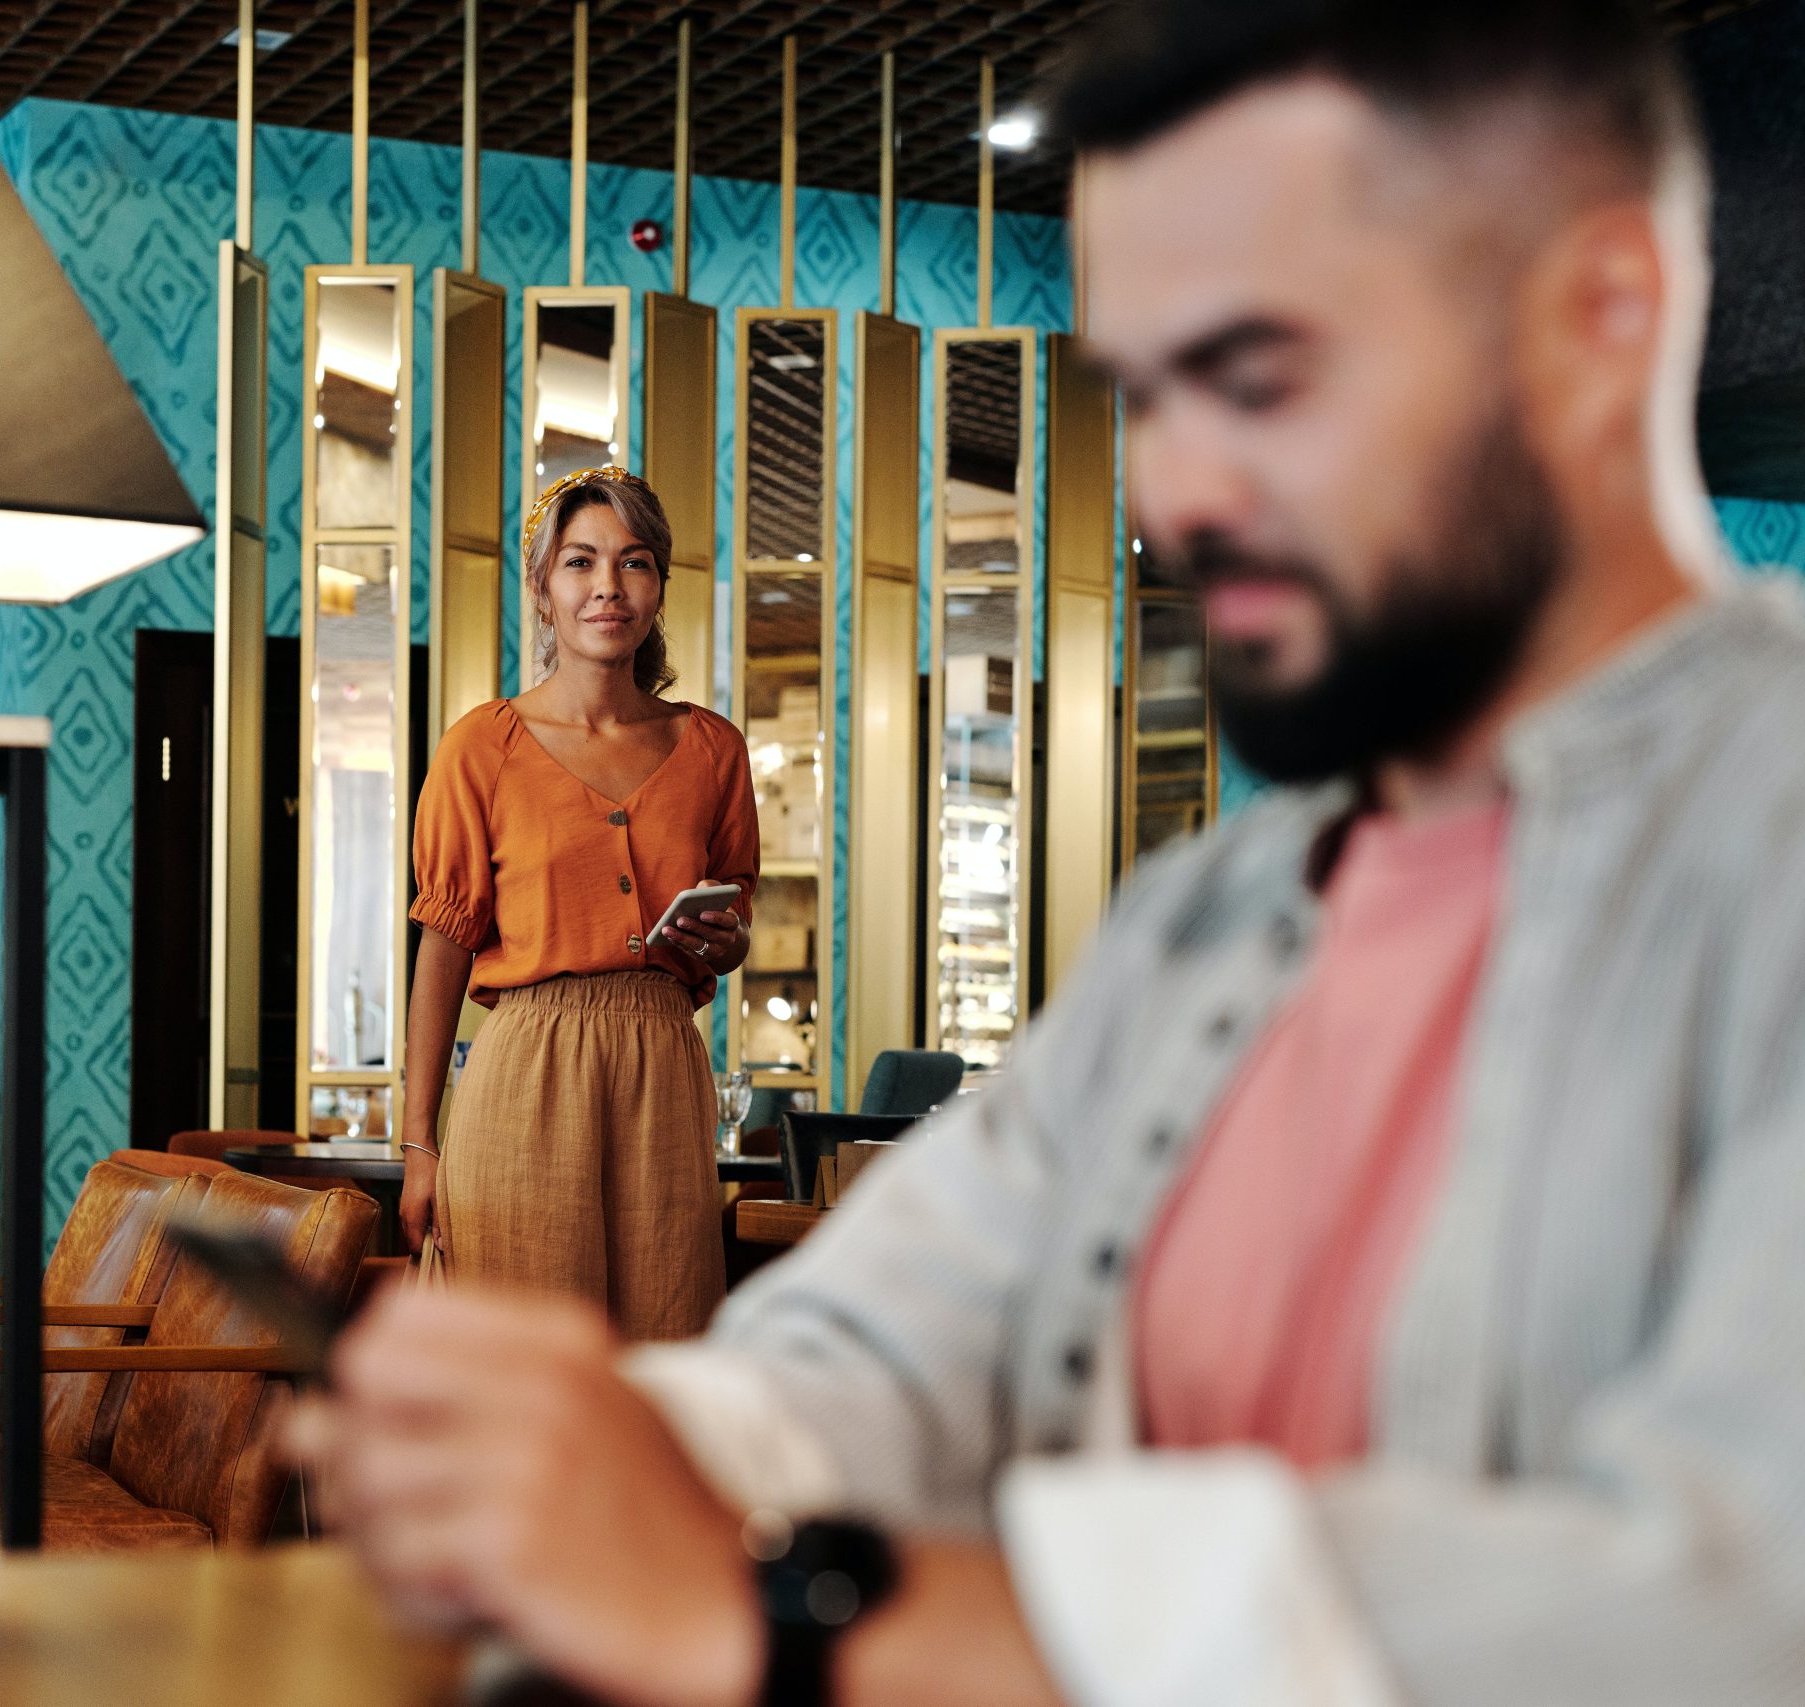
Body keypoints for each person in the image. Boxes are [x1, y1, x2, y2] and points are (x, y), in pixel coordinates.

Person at [291, 3, 1805, 1703]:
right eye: (1145, 392)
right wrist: (626, 1450)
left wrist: (809, 1614)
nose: (1176, 481)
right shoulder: (1214, 916)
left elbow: (1739, 1585)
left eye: (1256, 372)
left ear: (1601, 316)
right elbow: (893, 1330)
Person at [398, 465, 758, 1341]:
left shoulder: (713, 749)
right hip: (527, 1069)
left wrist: (721, 940)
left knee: (663, 1357)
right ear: (542, 588)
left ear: (660, 586)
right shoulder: (480, 747)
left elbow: (733, 930)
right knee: (521, 1363)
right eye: (579, 562)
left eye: (633, 562)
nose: (607, 586)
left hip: (665, 1077)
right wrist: (417, 1144)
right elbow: (443, 949)